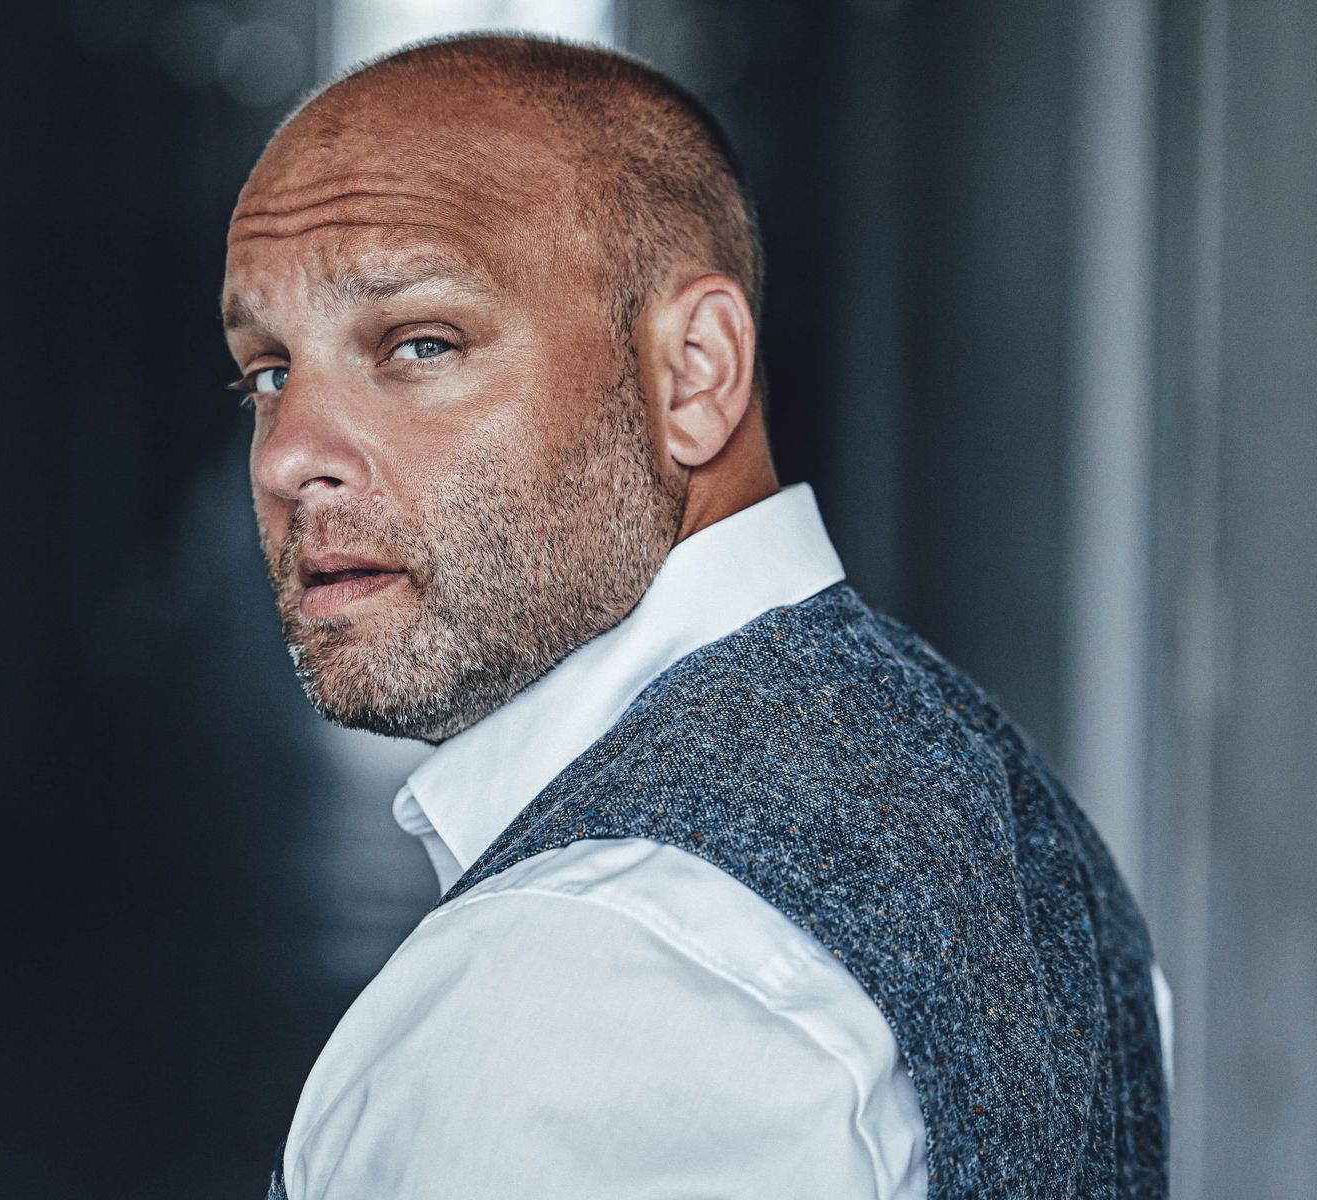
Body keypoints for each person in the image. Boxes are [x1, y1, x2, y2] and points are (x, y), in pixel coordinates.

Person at [222, 33, 1168, 1200]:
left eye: (420, 344)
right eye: (268, 373)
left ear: (696, 373)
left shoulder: (580, 996)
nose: (290, 456)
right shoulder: (1002, 795)